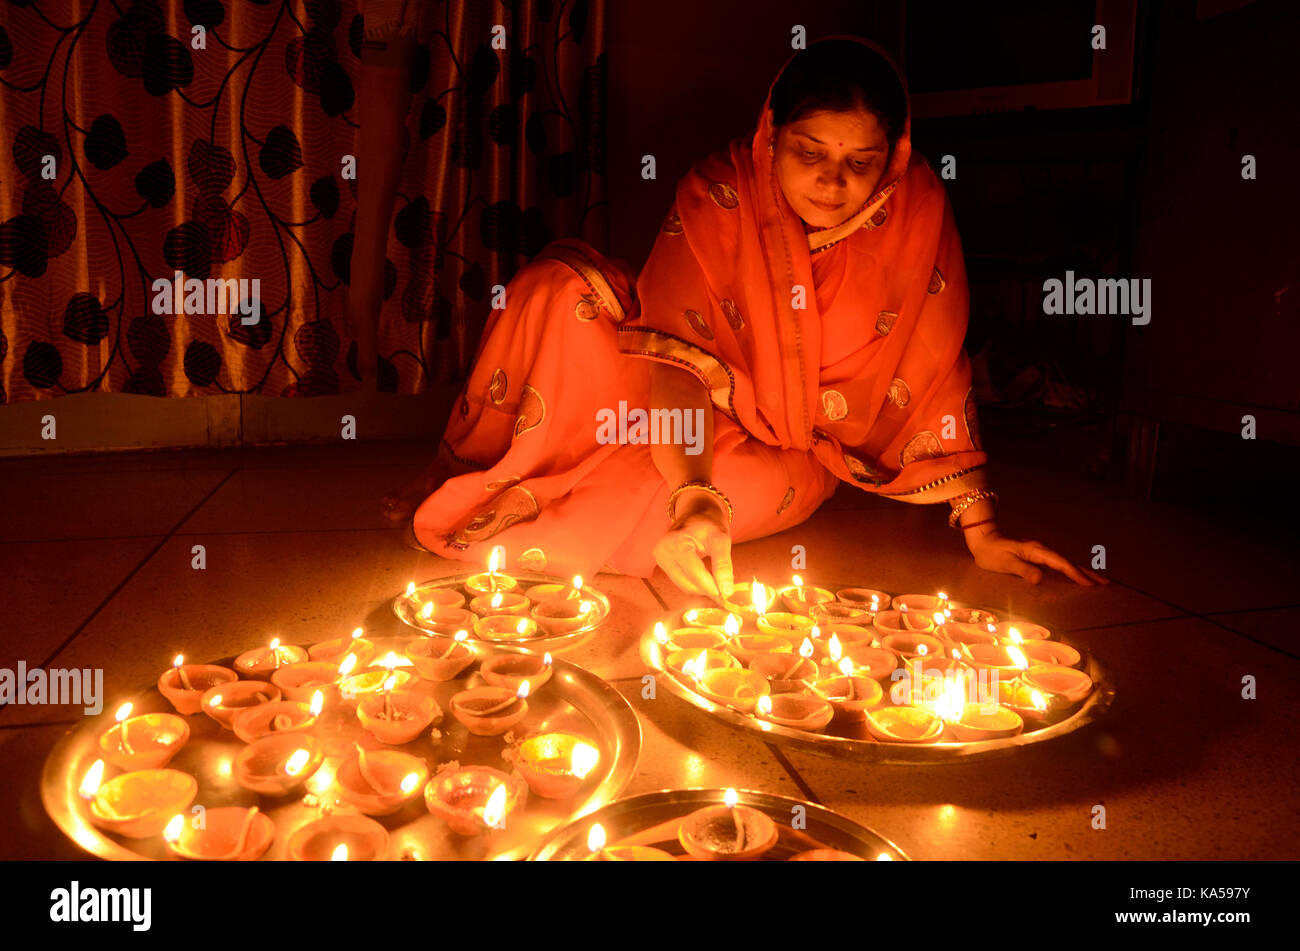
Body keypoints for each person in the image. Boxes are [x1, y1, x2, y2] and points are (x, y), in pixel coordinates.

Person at [384, 36, 1106, 597]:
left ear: (893, 157)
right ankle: (507, 473)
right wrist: (693, 484)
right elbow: (671, 353)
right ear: (771, 139)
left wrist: (981, 531)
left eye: (863, 160)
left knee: (659, 516)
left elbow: (933, 371)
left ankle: (651, 505)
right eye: (810, 152)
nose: (834, 180)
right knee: (552, 289)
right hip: (684, 392)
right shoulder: (721, 189)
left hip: (790, 445)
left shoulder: (913, 211)